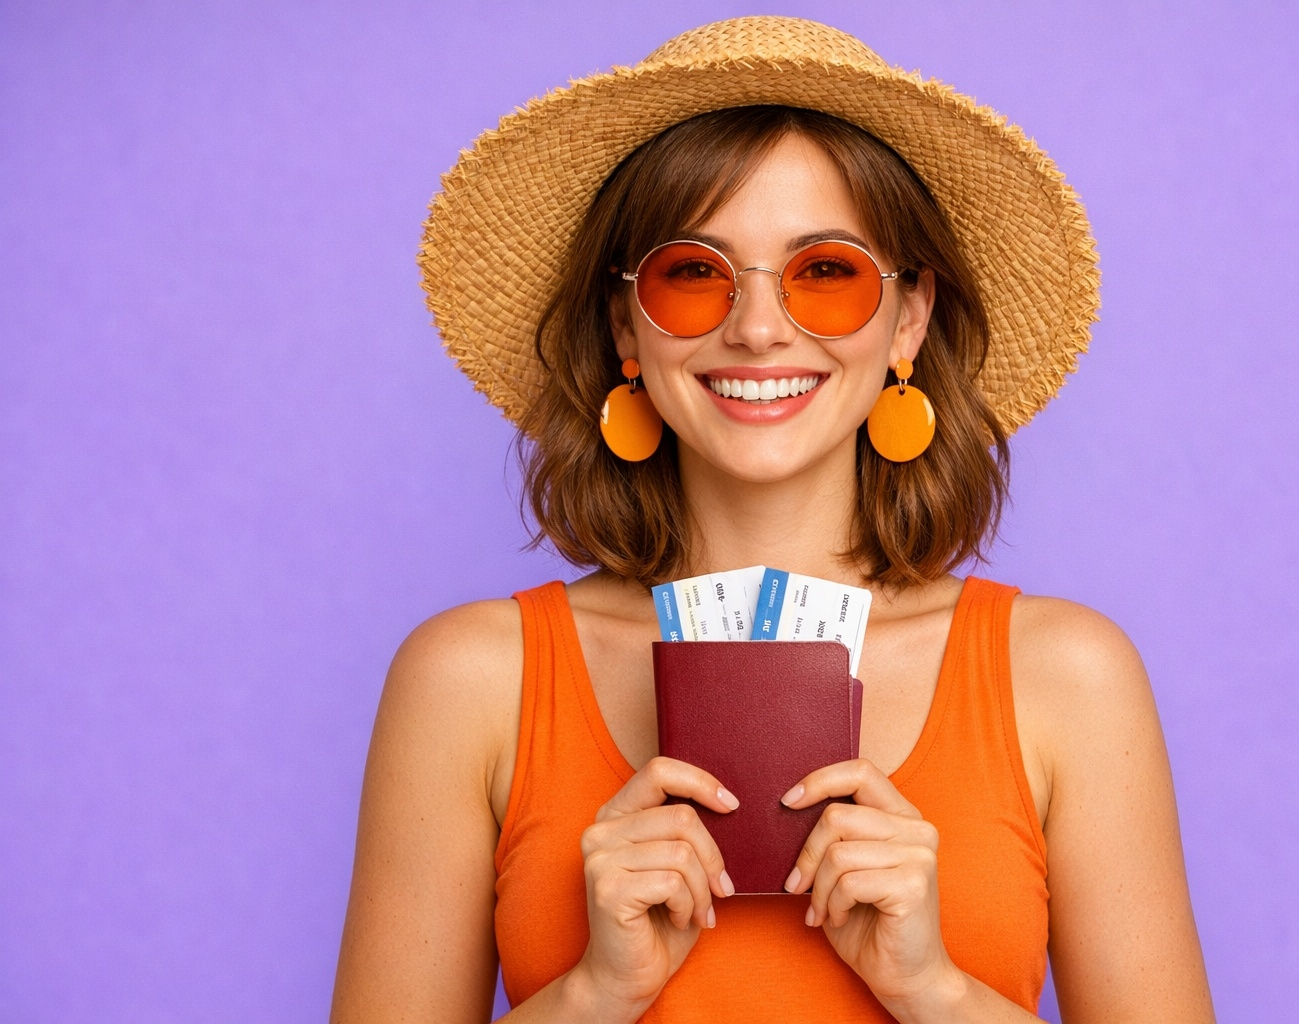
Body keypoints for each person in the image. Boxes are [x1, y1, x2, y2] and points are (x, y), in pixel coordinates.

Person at [332, 16, 1215, 1024]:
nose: (757, 329)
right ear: (627, 324)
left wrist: (929, 987)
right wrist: (592, 992)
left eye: (826, 274)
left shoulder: (1065, 678)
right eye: (694, 272)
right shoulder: (470, 682)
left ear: (910, 318)